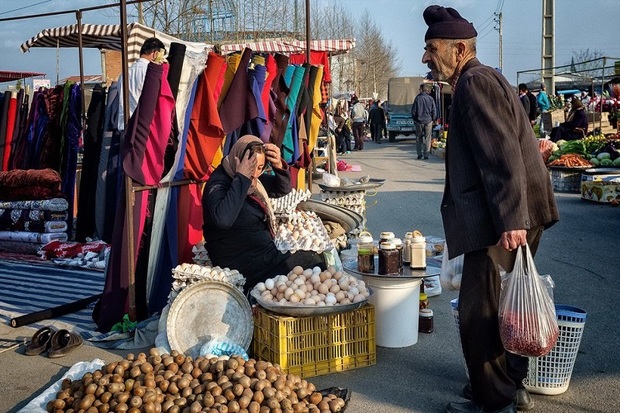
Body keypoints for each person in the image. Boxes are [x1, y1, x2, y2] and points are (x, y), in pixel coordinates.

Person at [421, 5, 559, 413]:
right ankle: (508, 385)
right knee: (507, 310)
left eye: (432, 49)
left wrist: (511, 220)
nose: (426, 58)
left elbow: (500, 158)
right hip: (511, 215)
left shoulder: (474, 84)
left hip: (501, 222)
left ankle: (492, 401)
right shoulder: (485, 78)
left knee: (479, 315)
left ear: (459, 48)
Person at [202, 135, 326, 292]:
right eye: (250, 166)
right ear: (237, 160)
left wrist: (278, 165)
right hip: (243, 266)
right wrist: (241, 178)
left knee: (315, 259)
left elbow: (281, 189)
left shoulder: (252, 182)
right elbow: (223, 219)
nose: (254, 173)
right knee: (312, 262)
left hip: (263, 257)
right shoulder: (220, 183)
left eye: (260, 167)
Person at [117, 37, 166, 131]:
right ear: (155, 53)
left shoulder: (123, 74)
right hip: (141, 126)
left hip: (124, 125)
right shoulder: (151, 74)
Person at [411, 83, 437, 159]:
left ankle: (419, 154)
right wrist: (433, 119)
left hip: (419, 121)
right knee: (428, 138)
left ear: (421, 89)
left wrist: (415, 119)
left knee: (418, 137)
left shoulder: (417, 98)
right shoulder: (430, 99)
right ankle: (426, 155)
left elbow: (413, 111)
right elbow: (434, 110)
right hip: (428, 121)